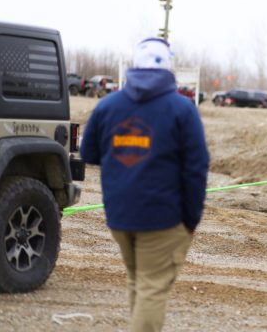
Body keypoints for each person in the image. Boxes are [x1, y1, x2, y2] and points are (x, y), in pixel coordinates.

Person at [81, 37, 210, 331]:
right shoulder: (182, 108)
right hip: (163, 218)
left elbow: (90, 153)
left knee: (138, 280)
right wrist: (191, 219)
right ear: (169, 66)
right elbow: (196, 169)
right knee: (152, 287)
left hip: (120, 216)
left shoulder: (108, 105)